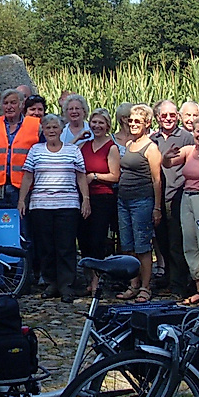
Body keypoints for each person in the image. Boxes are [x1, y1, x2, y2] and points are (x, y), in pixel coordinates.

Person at [17, 114, 90, 303]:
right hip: (41, 205)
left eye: (54, 127)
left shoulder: (73, 150)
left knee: (66, 246)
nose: (51, 131)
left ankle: (66, 285)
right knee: (46, 246)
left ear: (61, 130)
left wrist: (86, 199)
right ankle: (51, 283)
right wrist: (22, 200)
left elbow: (81, 176)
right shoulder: (36, 150)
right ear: (43, 130)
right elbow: (28, 176)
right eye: (48, 127)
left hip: (67, 205)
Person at [163, 118, 199, 303]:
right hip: (187, 198)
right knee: (190, 244)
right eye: (198, 132)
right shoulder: (189, 150)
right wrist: (166, 156)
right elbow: (168, 164)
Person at [115, 104, 163, 304]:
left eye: (138, 121)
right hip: (123, 200)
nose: (133, 124)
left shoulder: (151, 148)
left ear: (147, 123)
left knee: (143, 246)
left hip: (142, 201)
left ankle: (145, 286)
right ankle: (133, 284)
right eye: (131, 121)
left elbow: (156, 180)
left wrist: (157, 207)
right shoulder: (129, 145)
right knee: (128, 245)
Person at [151, 99, 194, 300]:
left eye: (172, 115)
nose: (168, 118)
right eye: (164, 115)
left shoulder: (186, 137)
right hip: (158, 195)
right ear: (157, 117)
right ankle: (168, 277)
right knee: (163, 240)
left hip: (179, 193)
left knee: (177, 242)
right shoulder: (153, 139)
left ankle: (179, 284)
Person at [0, 89, 41, 207]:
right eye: (5, 103)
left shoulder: (35, 126)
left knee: (22, 219)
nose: (9, 107)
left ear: (21, 105)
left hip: (24, 190)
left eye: (13, 103)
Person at [77, 108, 120, 289]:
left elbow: (115, 176)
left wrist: (94, 176)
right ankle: (88, 277)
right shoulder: (84, 146)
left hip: (103, 197)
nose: (97, 126)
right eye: (94, 122)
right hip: (84, 197)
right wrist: (78, 138)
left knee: (97, 239)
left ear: (107, 126)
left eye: (101, 122)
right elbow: (67, 152)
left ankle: (96, 281)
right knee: (84, 238)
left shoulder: (111, 147)